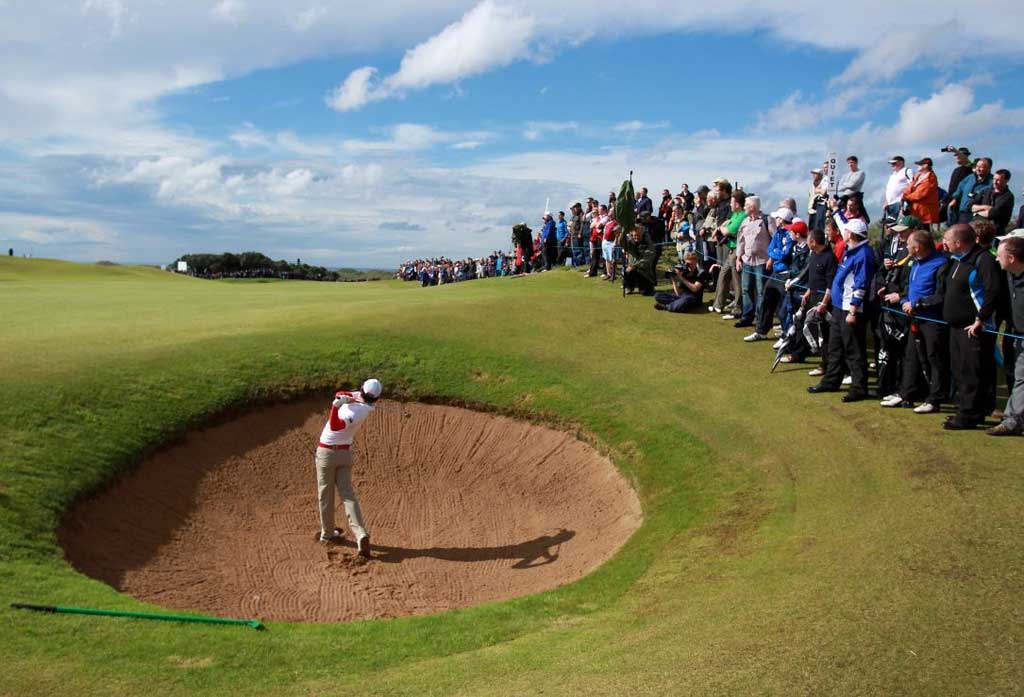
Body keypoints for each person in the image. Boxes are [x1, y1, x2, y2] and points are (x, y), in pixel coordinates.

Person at [807, 218, 877, 402]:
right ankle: (831, 380)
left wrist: (853, 310)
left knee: (854, 350)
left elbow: (860, 283)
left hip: (851, 309)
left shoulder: (863, 254)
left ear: (851, 234)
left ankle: (859, 387)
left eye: (846, 231)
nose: (843, 233)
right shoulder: (851, 251)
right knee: (835, 347)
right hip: (839, 307)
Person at [881, 229, 949, 413]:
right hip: (915, 317)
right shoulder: (915, 262)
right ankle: (906, 393)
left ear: (917, 247)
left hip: (932, 320)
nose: (906, 247)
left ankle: (934, 399)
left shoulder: (940, 264)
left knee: (934, 359)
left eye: (909, 245)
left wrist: (917, 303)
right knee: (910, 356)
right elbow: (910, 288)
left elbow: (941, 295)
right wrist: (904, 300)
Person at [941, 223, 1002, 429]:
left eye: (947, 240)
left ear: (958, 242)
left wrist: (980, 319)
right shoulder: (957, 260)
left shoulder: (982, 259)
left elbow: (992, 291)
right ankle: (965, 409)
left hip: (974, 327)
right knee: (959, 370)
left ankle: (969, 414)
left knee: (972, 372)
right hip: (956, 327)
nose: (944, 243)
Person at [316, 379, 382, 557]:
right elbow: (341, 393)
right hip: (344, 455)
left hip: (327, 454)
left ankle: (328, 534)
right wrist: (344, 398)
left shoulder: (361, 411)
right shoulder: (362, 401)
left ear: (362, 389)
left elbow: (336, 426)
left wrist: (335, 407)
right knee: (347, 495)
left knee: (325, 493)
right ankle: (361, 534)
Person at [987, 233, 1024, 435]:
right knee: (1020, 377)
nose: (996, 258)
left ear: (1011, 258)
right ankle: (1013, 420)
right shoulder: (1010, 275)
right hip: (1017, 334)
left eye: (999, 255)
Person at [789, 228, 837, 372]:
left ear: (813, 242)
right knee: (801, 323)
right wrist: (808, 291)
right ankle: (801, 353)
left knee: (823, 333)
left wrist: (824, 303)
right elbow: (813, 278)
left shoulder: (829, 258)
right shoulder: (815, 255)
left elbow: (830, 284)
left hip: (823, 302)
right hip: (812, 297)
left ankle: (825, 364)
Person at [734, 196, 771, 331]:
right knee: (746, 289)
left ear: (752, 207)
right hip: (747, 260)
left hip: (762, 261)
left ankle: (760, 317)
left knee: (761, 291)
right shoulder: (744, 221)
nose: (744, 208)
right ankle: (747, 316)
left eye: (746, 205)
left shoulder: (766, 220)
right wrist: (738, 258)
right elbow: (741, 241)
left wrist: (771, 258)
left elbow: (774, 238)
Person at [947, 157, 993, 225]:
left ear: (988, 168)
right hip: (964, 213)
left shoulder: (992, 182)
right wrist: (955, 199)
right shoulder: (970, 177)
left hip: (978, 215)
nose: (978, 169)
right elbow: (960, 188)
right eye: (977, 166)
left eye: (981, 167)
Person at [973, 169, 1015, 237]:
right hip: (978, 231)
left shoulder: (1008, 196)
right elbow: (970, 207)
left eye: (998, 180)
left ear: (1006, 181)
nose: (994, 182)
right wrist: (985, 208)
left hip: (995, 233)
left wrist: (977, 211)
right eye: (994, 179)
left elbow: (992, 213)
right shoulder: (986, 191)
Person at [902, 157, 940, 229]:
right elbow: (909, 187)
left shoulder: (931, 178)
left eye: (920, 164)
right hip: (914, 209)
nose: (918, 166)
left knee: (923, 230)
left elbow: (921, 194)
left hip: (924, 210)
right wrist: (905, 195)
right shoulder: (918, 175)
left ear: (925, 165)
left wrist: (907, 197)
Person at [621, 224, 657, 295]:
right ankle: (629, 287)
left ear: (642, 234)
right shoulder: (630, 243)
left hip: (645, 272)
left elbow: (646, 260)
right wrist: (623, 232)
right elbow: (621, 242)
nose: (636, 237)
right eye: (634, 235)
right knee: (628, 271)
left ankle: (647, 287)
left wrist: (634, 265)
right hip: (632, 270)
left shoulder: (649, 245)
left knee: (645, 293)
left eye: (638, 235)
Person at [883, 156, 913, 226]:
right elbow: (889, 189)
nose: (892, 165)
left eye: (894, 163)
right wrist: (886, 201)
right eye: (892, 164)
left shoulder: (907, 171)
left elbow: (911, 184)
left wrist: (904, 200)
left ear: (901, 162)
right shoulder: (893, 175)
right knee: (890, 225)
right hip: (890, 204)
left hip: (899, 202)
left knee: (900, 224)